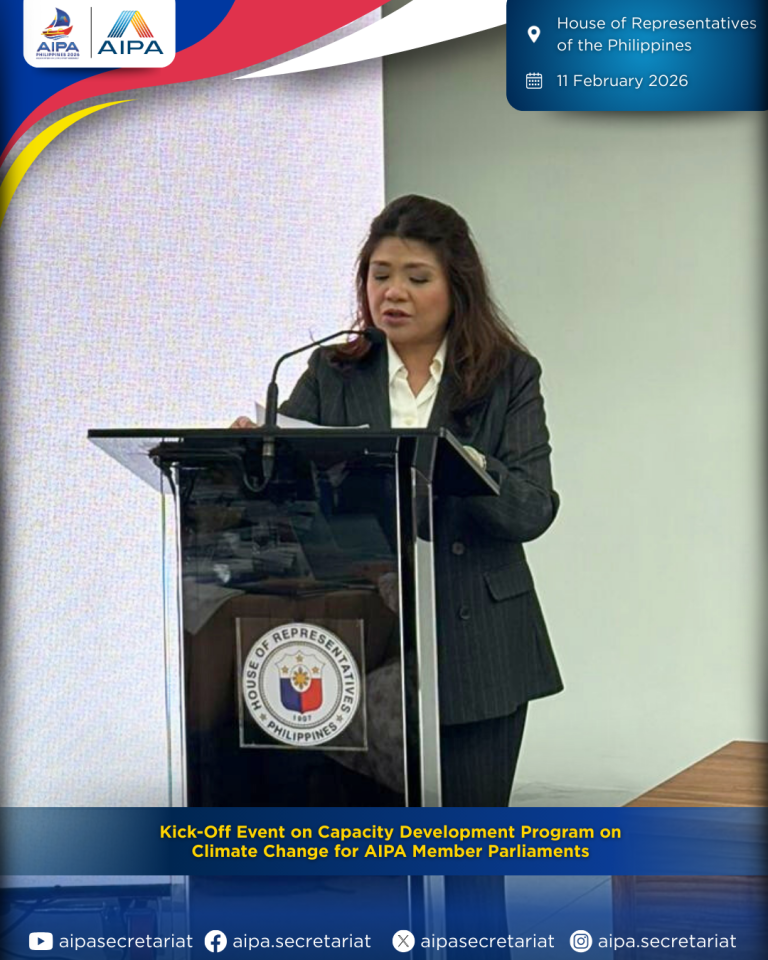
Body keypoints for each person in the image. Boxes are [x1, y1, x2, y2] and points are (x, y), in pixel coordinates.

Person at [232, 194, 562, 936]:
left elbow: (532, 510)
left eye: (416, 277)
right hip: (360, 646)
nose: (394, 293)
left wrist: (465, 465)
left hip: (477, 644)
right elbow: (287, 506)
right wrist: (253, 460)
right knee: (375, 870)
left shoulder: (506, 376)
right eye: (380, 275)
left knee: (471, 871)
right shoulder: (331, 371)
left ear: (456, 287)